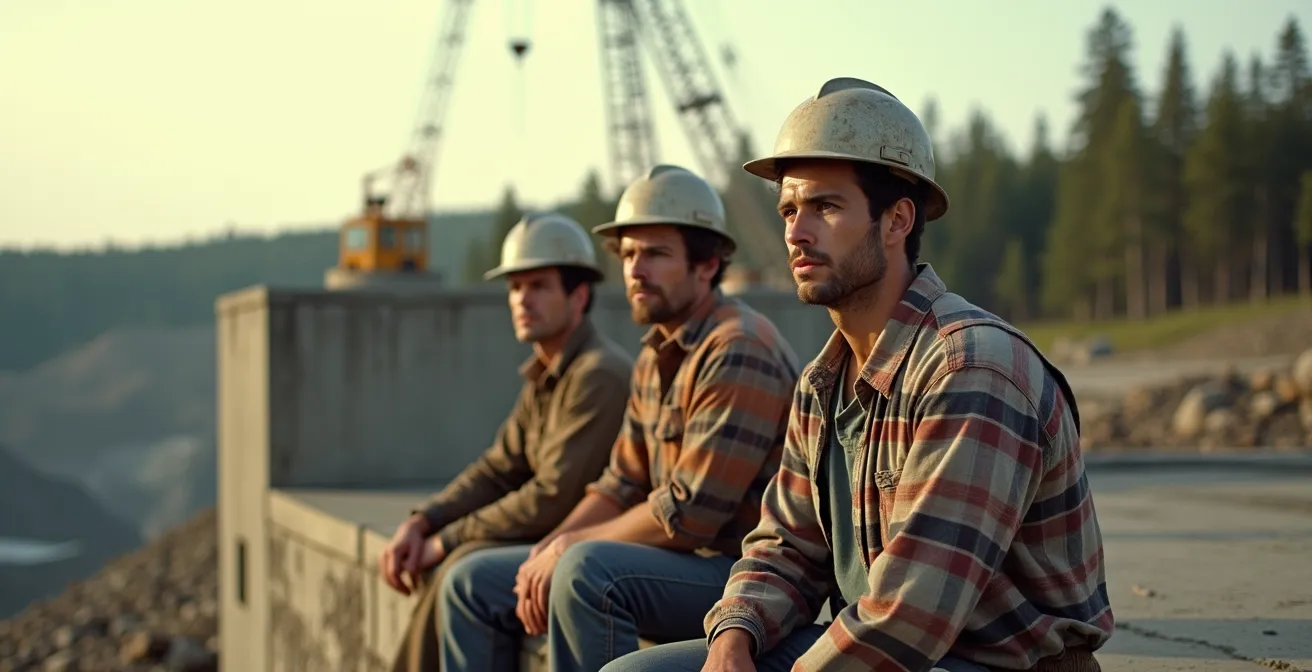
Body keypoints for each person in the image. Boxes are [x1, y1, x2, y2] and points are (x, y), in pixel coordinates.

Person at [607, 78, 1114, 672]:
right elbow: (785, 547)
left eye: (825, 206)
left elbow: (913, 611)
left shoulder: (971, 368)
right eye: (789, 210)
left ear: (897, 220)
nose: (796, 231)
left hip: (990, 661)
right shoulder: (824, 382)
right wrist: (733, 636)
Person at [437, 164, 802, 672]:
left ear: (705, 265)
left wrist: (570, 545)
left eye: (655, 253)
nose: (634, 270)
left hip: (742, 580)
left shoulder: (737, 348)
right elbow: (619, 482)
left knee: (585, 569)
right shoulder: (657, 352)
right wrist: (547, 547)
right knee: (472, 582)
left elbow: (688, 517)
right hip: (679, 564)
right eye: (628, 254)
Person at [381, 211, 633, 672]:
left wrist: (447, 538)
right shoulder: (546, 373)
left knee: (463, 570)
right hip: (550, 538)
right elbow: (499, 468)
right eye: (515, 288)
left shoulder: (598, 375)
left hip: (580, 541)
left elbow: (552, 498)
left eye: (538, 286)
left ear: (578, 296)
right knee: (457, 562)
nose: (521, 300)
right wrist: (424, 522)